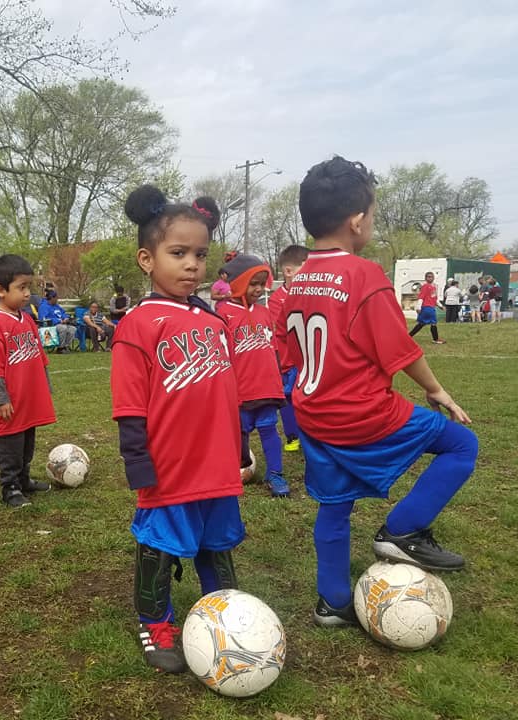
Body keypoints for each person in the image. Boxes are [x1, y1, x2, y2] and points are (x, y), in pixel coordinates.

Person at [277, 156, 477, 628]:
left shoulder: (295, 281)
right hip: (362, 414)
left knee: (334, 506)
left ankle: (332, 603)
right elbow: (399, 351)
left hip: (313, 415)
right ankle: (404, 530)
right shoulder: (363, 275)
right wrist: (436, 391)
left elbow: (289, 353)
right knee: (460, 444)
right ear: (357, 220)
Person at [111, 186, 244, 674]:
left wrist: (239, 445)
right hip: (169, 466)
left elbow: (226, 394)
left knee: (218, 539)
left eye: (201, 254)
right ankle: (155, 621)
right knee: (161, 542)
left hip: (217, 461)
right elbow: (129, 404)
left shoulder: (213, 319)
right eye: (178, 253)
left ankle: (224, 609)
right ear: (147, 259)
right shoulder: (138, 324)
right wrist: (138, 461)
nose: (192, 264)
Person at [0, 254, 56, 508]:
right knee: (10, 446)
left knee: (26, 444)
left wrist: (45, 387)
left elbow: (40, 358)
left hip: (29, 399)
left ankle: (23, 479)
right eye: (21, 288)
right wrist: (0, 399)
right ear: (0, 291)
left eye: (28, 288)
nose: (27, 294)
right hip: (9, 403)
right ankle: (10, 486)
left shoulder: (27, 320)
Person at [216, 251, 291, 497]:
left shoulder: (264, 312)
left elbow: (273, 349)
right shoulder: (223, 313)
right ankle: (232, 472)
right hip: (240, 390)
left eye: (262, 284)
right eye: (253, 283)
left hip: (267, 386)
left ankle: (276, 474)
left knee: (270, 429)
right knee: (239, 433)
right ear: (237, 283)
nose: (259, 289)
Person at [266, 244, 309, 453]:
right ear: (289, 271)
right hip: (287, 361)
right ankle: (293, 436)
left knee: (309, 397)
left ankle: (310, 433)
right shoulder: (277, 299)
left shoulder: (311, 293)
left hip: (308, 360)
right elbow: (282, 331)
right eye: (307, 270)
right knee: (289, 399)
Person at [408, 271, 445, 344]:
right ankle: (436, 339)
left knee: (421, 323)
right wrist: (418, 307)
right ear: (425, 278)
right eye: (428, 277)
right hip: (427, 308)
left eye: (431, 276)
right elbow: (421, 297)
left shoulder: (433, 287)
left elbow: (434, 299)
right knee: (433, 323)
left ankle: (409, 336)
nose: (430, 278)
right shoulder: (425, 286)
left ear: (434, 278)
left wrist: (440, 306)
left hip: (430, 308)